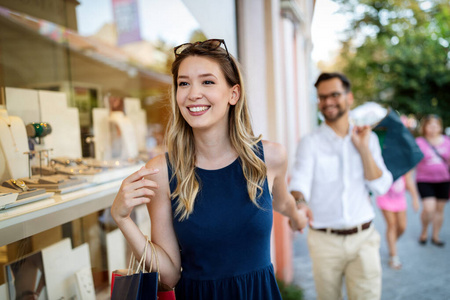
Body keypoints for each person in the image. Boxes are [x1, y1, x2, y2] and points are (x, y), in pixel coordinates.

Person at [111, 39, 307, 300]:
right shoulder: (161, 172)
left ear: (233, 94)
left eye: (207, 82)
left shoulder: (269, 157)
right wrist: (122, 219)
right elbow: (169, 277)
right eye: (184, 83)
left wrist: (298, 215)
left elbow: (282, 201)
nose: (193, 94)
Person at [289, 72, 393, 300]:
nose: (327, 102)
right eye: (322, 97)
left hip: (364, 238)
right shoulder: (310, 142)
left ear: (349, 97)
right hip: (325, 242)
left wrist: (363, 148)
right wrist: (299, 204)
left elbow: (381, 186)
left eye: (334, 95)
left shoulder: (369, 139)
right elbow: (299, 181)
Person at [415, 114, 450, 247]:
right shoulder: (419, 142)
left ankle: (436, 235)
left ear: (440, 127)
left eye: (436, 125)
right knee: (429, 208)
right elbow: (413, 161)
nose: (433, 128)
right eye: (430, 125)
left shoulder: (447, 142)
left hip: (444, 180)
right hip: (424, 180)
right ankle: (424, 231)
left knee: (439, 210)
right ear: (425, 127)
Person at [376, 170, 420, 269]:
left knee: (402, 226)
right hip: (385, 197)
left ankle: (391, 242)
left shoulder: (404, 163)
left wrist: (415, 198)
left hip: (399, 199)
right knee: (392, 225)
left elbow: (408, 181)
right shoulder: (384, 160)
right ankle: (394, 257)